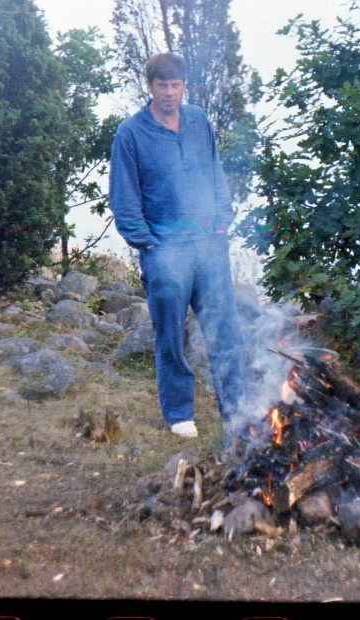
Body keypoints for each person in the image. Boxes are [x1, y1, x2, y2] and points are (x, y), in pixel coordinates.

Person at [108, 52, 249, 438]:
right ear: (149, 86)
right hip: (165, 249)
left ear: (184, 85)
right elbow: (124, 197)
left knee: (225, 331)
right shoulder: (131, 133)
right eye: (161, 85)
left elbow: (215, 171)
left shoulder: (199, 120)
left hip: (209, 244)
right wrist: (148, 245)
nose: (169, 93)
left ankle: (237, 408)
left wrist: (222, 220)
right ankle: (178, 413)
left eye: (176, 85)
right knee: (170, 335)